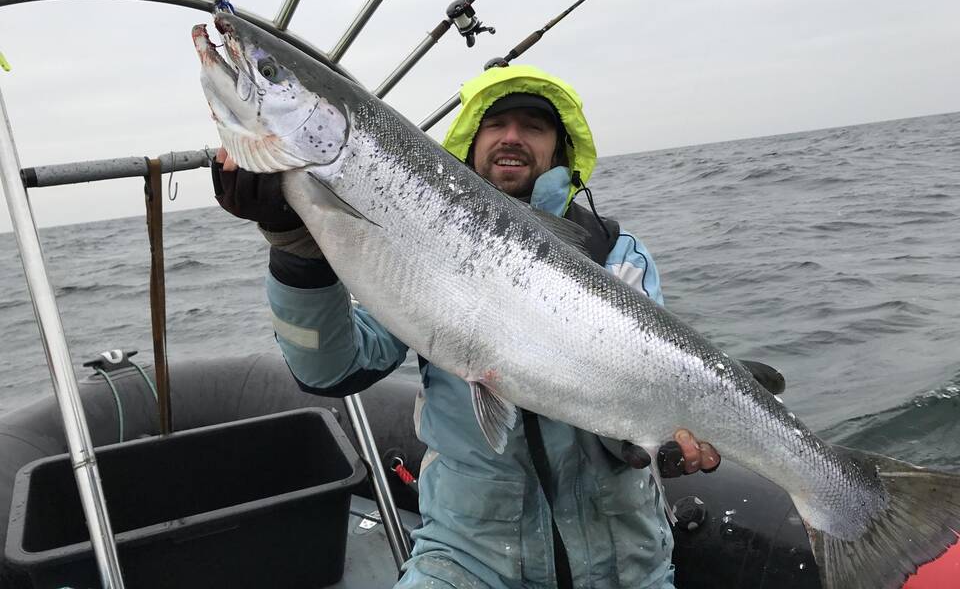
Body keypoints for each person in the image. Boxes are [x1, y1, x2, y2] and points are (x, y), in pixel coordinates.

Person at [213, 65, 720, 589]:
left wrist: (650, 445)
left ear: (561, 150)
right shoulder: (414, 242)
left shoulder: (618, 258)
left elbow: (647, 397)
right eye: (496, 123)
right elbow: (331, 369)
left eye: (534, 126)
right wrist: (295, 252)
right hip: (466, 559)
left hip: (626, 567)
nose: (513, 138)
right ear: (470, 141)